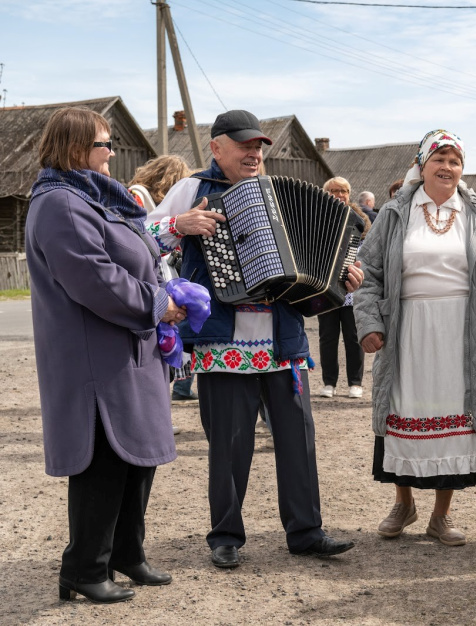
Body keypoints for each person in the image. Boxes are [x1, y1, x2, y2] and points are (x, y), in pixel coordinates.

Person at [147, 109, 361, 568]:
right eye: (244, 145)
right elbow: (140, 238)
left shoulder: (279, 195)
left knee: (297, 438)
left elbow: (317, 258)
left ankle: (306, 531)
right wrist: (177, 227)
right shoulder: (192, 190)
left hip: (283, 340)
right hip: (224, 340)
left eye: (259, 146)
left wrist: (342, 276)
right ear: (216, 147)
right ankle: (225, 535)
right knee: (229, 443)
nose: (254, 153)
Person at [26, 107, 179, 603]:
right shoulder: (60, 205)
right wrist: (158, 303)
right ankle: (84, 568)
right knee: (106, 461)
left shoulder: (94, 198)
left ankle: (125, 554)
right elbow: (96, 280)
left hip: (127, 348)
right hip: (97, 355)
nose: (111, 152)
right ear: (74, 150)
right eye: (103, 144)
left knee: (137, 457)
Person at [355, 129, 476, 546]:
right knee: (402, 408)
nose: (447, 167)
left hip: (465, 329)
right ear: (422, 165)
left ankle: (440, 516)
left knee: (456, 412)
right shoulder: (395, 213)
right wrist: (369, 322)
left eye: (455, 160)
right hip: (408, 327)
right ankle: (403, 502)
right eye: (439, 159)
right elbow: (367, 272)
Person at [129, 155, 198, 413]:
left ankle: (160, 415)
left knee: (165, 349)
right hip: (148, 279)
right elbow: (137, 235)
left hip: (161, 275)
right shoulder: (136, 195)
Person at [318, 177, 371, 399]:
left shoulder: (360, 219)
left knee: (353, 336)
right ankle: (329, 382)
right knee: (327, 337)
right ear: (326, 193)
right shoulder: (317, 216)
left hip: (351, 288)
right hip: (325, 288)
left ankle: (355, 382)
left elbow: (367, 249)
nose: (339, 195)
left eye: (343, 191)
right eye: (334, 191)